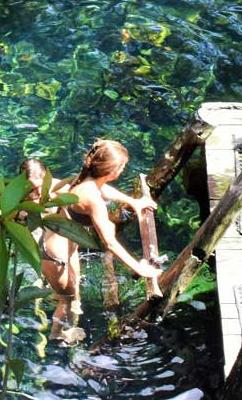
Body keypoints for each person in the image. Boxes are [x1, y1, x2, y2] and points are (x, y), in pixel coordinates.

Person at [40, 138, 160, 343]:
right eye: (122, 167)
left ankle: (60, 302)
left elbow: (103, 189)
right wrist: (140, 269)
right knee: (67, 302)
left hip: (66, 248)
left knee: (75, 289)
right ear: (112, 171)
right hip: (55, 258)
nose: (122, 171)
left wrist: (133, 201)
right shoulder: (94, 200)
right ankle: (57, 338)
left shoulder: (83, 179)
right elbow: (110, 243)